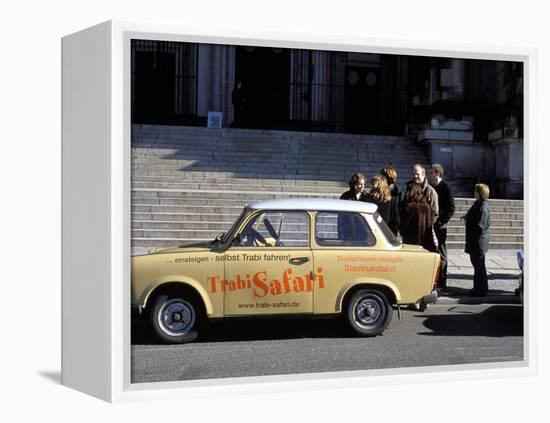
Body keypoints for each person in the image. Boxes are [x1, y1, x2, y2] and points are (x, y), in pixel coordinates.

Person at [429, 164, 455, 292]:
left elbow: (451, 208)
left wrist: (441, 221)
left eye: (432, 173)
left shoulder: (446, 188)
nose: (430, 175)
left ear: (438, 173)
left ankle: (442, 282)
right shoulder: (431, 187)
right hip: (431, 224)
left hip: (440, 226)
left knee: (442, 253)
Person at [462, 184, 491, 296]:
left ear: (480, 193)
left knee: (479, 266)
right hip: (475, 241)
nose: (474, 192)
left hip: (478, 242)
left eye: (476, 191)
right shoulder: (478, 204)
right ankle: (478, 288)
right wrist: (467, 218)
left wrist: (468, 222)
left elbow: (480, 226)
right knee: (477, 266)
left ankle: (481, 290)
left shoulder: (483, 207)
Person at [399, 182, 437, 251]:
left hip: (411, 242)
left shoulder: (410, 207)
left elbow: (403, 225)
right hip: (426, 242)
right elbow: (432, 222)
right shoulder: (428, 207)